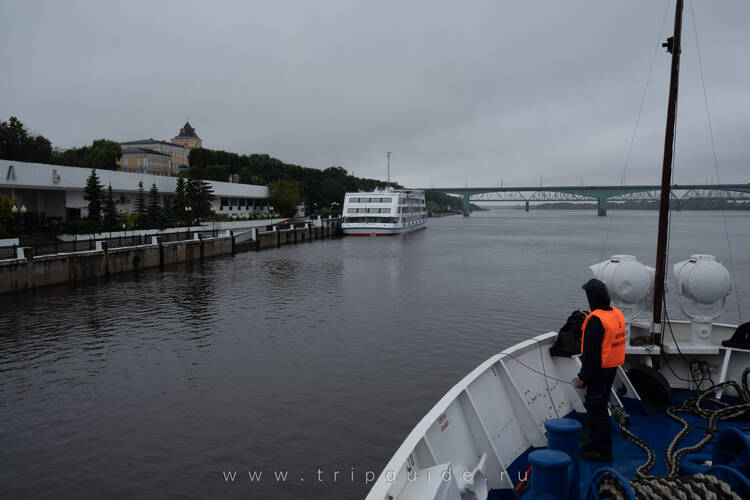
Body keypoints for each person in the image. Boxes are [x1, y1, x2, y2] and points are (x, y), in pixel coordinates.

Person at [574, 278, 626, 462]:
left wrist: (583, 378)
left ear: (591, 297)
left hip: (598, 372)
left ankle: (603, 452)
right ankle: (595, 443)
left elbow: (591, 355)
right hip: (611, 368)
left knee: (596, 409)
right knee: (600, 406)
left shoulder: (595, 320)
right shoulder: (616, 314)